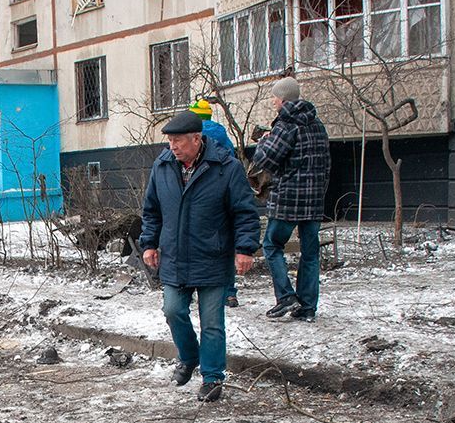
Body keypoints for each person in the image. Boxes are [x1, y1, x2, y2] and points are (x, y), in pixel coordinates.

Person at [140, 110, 258, 403]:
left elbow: (244, 212)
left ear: (197, 138)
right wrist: (149, 244)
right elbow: (152, 210)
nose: (173, 147)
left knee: (212, 323)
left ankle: (213, 377)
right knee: (172, 310)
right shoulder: (163, 166)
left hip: (213, 257)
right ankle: (189, 357)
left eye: (178, 141)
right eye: (170, 141)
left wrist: (244, 249)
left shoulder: (226, 168)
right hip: (175, 256)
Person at [253, 77, 331, 322]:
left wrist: (265, 140)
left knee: (271, 245)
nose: (273, 101)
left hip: (288, 199)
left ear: (284, 99)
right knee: (310, 253)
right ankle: (307, 306)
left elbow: (266, 159)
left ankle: (286, 296)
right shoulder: (316, 124)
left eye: (275, 97)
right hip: (314, 200)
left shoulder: (286, 124)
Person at [189, 98, 244, 309]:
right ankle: (229, 293)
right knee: (224, 248)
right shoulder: (221, 133)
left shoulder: (193, 136)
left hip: (202, 198)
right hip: (225, 197)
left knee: (197, 246)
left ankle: (197, 290)